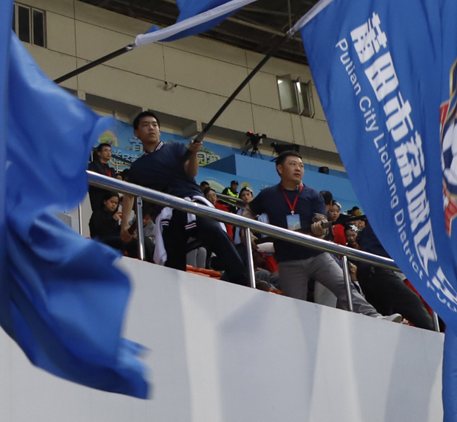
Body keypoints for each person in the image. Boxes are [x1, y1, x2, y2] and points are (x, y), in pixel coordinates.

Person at [117, 111, 250, 287]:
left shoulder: (176, 148)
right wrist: (125, 226)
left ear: (160, 131)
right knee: (172, 254)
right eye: (145, 125)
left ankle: (242, 278)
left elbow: (191, 172)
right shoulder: (137, 167)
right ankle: (173, 289)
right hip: (165, 211)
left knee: (213, 230)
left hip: (192, 202)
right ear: (136, 133)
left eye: (155, 125)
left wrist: (193, 154)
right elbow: (129, 195)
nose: (151, 128)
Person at [248, 151, 350, 310]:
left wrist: (320, 230)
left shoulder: (313, 194)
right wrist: (248, 232)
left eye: (301, 166)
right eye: (293, 164)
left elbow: (321, 221)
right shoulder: (268, 195)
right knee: (294, 307)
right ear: (280, 168)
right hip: (288, 261)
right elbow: (248, 211)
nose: (298, 168)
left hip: (317, 255)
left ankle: (374, 316)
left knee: (346, 289)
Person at [349, 213, 435, 328]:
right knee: (412, 302)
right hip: (376, 269)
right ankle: (434, 336)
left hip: (370, 271)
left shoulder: (379, 222)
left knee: (384, 314)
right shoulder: (393, 220)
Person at [86, 141, 116, 217]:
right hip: (98, 200)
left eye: (110, 151)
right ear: (99, 153)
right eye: (106, 150)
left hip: (111, 203)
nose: (109, 153)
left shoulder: (111, 170)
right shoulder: (92, 166)